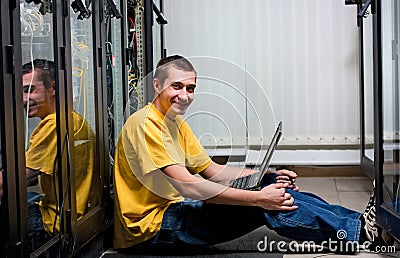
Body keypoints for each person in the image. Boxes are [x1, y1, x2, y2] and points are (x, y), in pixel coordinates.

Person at [113, 55, 393, 254]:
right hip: (151, 230)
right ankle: (360, 233)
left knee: (272, 187)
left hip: (170, 212)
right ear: (158, 86)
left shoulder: (174, 123)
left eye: (191, 88)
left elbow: (212, 170)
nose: (185, 95)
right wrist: (257, 198)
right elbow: (190, 185)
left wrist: (262, 177)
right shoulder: (145, 124)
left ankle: (360, 225)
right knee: (265, 203)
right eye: (177, 87)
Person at [22, 59, 97, 247]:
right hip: (83, 220)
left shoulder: (53, 125)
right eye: (21, 92)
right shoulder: (73, 119)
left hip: (57, 225)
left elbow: (16, 181)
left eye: (30, 90)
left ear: (53, 88)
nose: (24, 99)